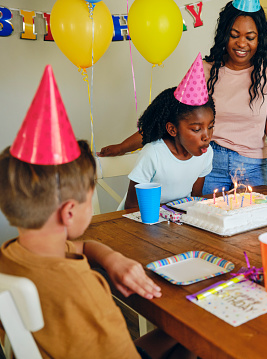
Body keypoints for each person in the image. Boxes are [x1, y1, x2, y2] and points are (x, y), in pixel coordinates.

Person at [0, 65, 193, 359]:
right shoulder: (83, 290)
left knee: (182, 335)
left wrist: (111, 256)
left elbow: (78, 245)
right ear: (69, 212)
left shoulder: (12, 253)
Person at [99, 0, 267, 195]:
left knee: (252, 229)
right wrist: (122, 147)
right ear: (224, 34)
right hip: (207, 163)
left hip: (251, 168)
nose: (241, 43)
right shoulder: (204, 71)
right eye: (234, 35)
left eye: (250, 37)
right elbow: (170, 118)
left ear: (259, 38)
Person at [124, 54, 215, 209]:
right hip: (143, 221)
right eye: (197, 129)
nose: (206, 136)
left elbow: (195, 199)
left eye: (211, 126)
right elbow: (132, 206)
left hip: (179, 223)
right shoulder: (153, 154)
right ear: (172, 129)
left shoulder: (206, 154)